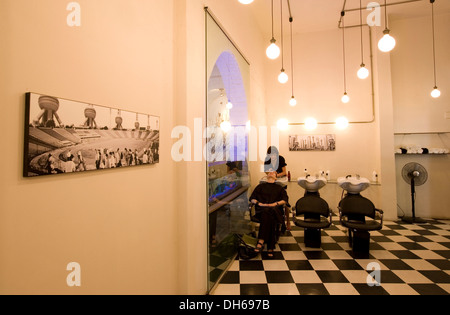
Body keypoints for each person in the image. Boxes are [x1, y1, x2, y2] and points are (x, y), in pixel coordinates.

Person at [249, 169, 289, 258]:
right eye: (269, 172)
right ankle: (270, 246)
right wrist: (259, 203)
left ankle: (261, 241)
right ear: (266, 176)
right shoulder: (260, 186)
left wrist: (275, 204)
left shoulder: (280, 188)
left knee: (269, 211)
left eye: (273, 172)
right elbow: (252, 198)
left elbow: (285, 200)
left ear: (276, 177)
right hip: (262, 210)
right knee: (268, 212)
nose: (271, 173)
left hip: (274, 210)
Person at [264, 146, 291, 230]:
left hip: (280, 181)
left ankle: (288, 221)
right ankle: (273, 220)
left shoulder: (281, 159)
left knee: (284, 201)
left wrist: (276, 175)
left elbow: (284, 172)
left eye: (274, 155)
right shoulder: (267, 160)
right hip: (272, 182)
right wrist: (271, 173)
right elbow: (266, 171)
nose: (273, 157)